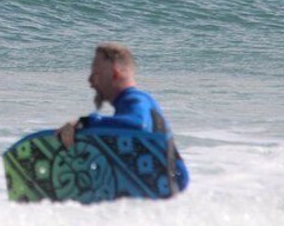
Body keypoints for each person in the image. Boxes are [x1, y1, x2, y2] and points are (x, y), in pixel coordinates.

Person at [57, 43, 189, 193]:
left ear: (115, 73)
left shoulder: (137, 99)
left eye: (95, 75)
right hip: (161, 199)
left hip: (163, 197)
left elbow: (138, 125)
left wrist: (86, 123)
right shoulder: (128, 106)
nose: (90, 82)